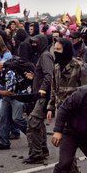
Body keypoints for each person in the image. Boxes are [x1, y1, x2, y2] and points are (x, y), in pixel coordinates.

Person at [46, 38, 87, 173]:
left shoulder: (79, 67)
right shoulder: (56, 67)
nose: (55, 53)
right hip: (61, 113)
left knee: (74, 147)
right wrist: (50, 107)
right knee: (66, 148)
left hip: (76, 115)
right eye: (54, 49)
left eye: (58, 50)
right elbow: (54, 89)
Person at [24, 34, 53, 164]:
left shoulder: (45, 55)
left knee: (33, 123)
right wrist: (34, 76)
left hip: (43, 96)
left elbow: (49, 74)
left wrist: (43, 89)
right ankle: (42, 150)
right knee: (39, 124)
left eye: (36, 42)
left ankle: (36, 155)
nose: (34, 45)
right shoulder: (42, 55)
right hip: (40, 95)